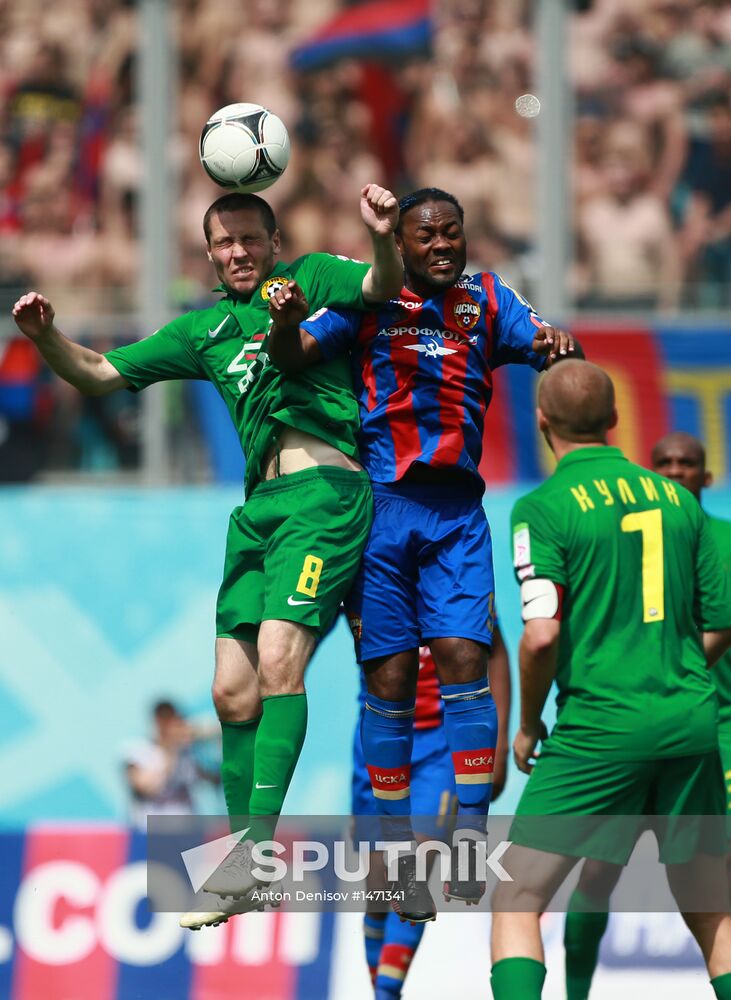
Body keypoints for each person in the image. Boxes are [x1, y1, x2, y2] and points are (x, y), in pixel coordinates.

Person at [12, 183, 404, 930]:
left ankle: (252, 861)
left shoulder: (312, 277)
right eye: (224, 244)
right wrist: (45, 338)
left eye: (250, 239)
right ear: (211, 256)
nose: (238, 252)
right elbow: (98, 373)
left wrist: (383, 235)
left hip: (325, 496)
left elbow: (383, 284)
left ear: (273, 242)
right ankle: (241, 859)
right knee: (230, 693)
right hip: (256, 511)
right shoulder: (204, 331)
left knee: (281, 662)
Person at [267, 186, 579, 920]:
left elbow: (549, 346)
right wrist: (283, 324)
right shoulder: (369, 297)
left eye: (451, 232)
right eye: (426, 236)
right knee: (391, 676)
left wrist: (557, 346)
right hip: (380, 508)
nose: (442, 245)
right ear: (399, 244)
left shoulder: (488, 298)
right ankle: (399, 853)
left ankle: (468, 837)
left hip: (456, 512)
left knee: (465, 657)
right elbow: (293, 355)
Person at [490, 361, 731, 1000]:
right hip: (690, 722)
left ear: (542, 422)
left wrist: (527, 721)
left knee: (517, 894)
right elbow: (720, 619)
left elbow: (541, 634)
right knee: (713, 913)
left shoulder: (541, 509)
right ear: (615, 421)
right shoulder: (680, 502)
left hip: (599, 729)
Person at [562, 430, 731, 1000]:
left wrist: (673, 672)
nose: (677, 471)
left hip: (715, 734)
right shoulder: (625, 546)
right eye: (665, 462)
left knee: (715, 892)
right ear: (650, 473)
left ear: (707, 477)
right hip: (637, 725)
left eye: (688, 463)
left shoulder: (724, 543)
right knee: (595, 873)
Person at [354, 625, 511, 999]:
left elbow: (497, 652)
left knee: (413, 869)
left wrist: (499, 745)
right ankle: (383, 990)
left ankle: (387, 993)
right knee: (377, 889)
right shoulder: (366, 577)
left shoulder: (453, 574)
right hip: (378, 738)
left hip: (441, 744)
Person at [123, 700, 220, 832]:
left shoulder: (187, 754)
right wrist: (171, 748)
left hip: (186, 830)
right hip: (151, 832)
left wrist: (214, 739)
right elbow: (146, 787)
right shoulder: (137, 750)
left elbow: (212, 779)